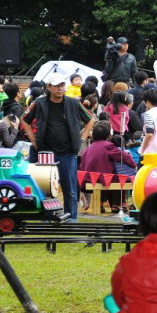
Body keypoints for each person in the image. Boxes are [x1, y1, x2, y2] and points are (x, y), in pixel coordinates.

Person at [21, 73, 94, 221]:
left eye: (62, 85)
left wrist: (81, 138)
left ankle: (72, 218)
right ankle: (46, 217)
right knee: (44, 187)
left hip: (67, 151)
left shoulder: (73, 103)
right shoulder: (40, 102)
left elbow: (90, 119)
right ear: (49, 87)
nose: (60, 89)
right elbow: (25, 119)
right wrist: (33, 140)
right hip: (45, 150)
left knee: (70, 188)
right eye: (56, 86)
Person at [80, 120, 137, 210]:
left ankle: (101, 205)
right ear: (108, 135)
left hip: (86, 179)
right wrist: (134, 165)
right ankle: (116, 205)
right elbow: (123, 156)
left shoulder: (87, 149)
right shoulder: (108, 146)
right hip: (102, 179)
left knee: (110, 177)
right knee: (119, 178)